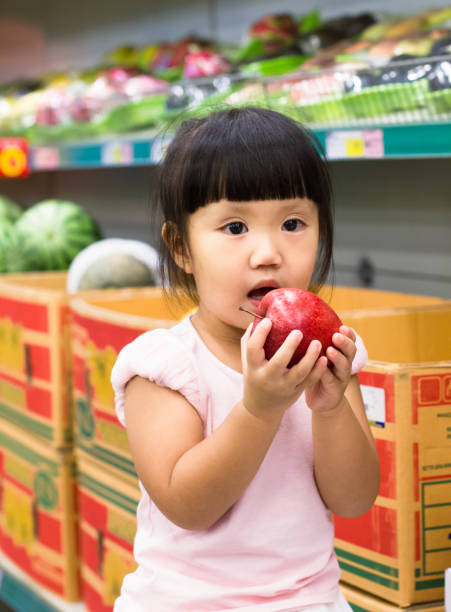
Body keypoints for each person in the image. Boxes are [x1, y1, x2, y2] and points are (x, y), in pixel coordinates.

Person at [111, 106, 380, 612]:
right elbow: (188, 506)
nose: (268, 253)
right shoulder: (166, 366)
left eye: (293, 223)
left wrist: (330, 406)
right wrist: (259, 409)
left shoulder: (329, 352)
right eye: (235, 227)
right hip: (187, 603)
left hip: (308, 600)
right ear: (181, 249)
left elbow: (353, 500)